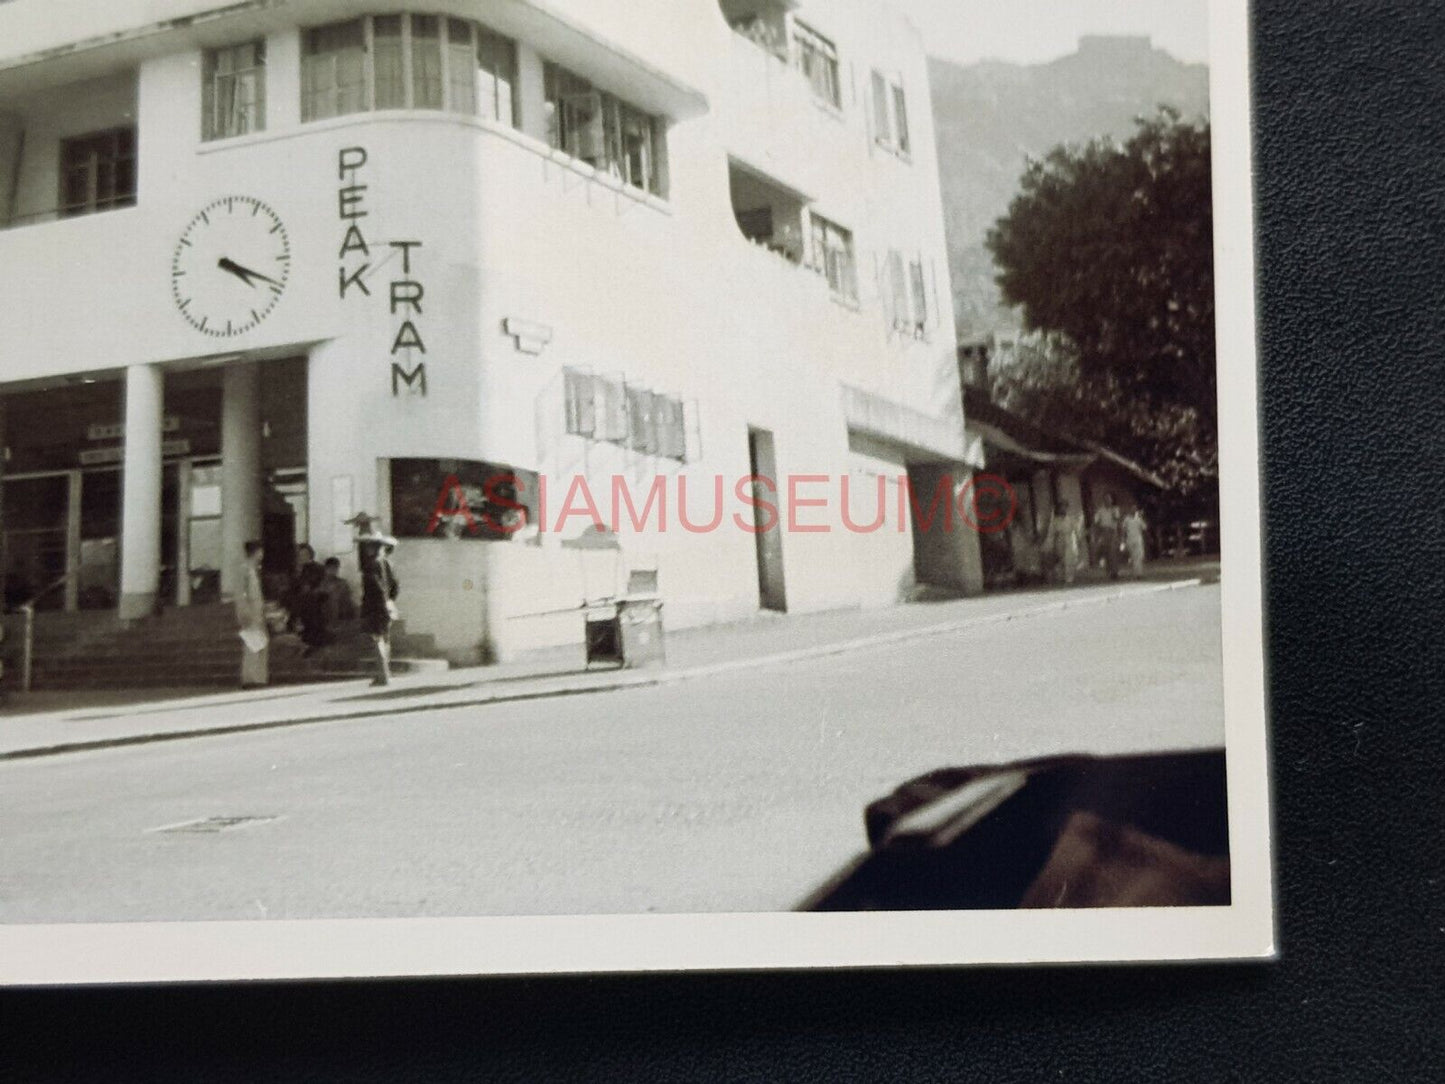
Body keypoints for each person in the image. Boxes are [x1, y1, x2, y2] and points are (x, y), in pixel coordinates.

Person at [358, 532, 400, 686]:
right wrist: (390, 601)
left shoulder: (370, 566)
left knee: (377, 640)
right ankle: (385, 672)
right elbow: (395, 586)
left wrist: (381, 603)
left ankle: (382, 674)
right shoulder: (388, 564)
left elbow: (375, 588)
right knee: (385, 639)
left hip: (375, 606)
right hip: (387, 605)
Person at [236, 539, 269, 688]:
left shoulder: (253, 570)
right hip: (250, 613)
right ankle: (251, 678)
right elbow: (241, 594)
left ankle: (258, 677)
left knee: (260, 643)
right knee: (252, 645)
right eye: (260, 551)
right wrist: (244, 613)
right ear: (256, 552)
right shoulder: (244, 569)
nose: (262, 554)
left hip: (257, 612)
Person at [1048, 500, 1082, 585]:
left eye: (1064, 507)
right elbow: (1051, 532)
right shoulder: (1055, 520)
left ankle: (1069, 578)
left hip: (1069, 538)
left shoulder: (1071, 518)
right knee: (1061, 558)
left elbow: (1077, 530)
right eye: (1061, 507)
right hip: (1059, 539)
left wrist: (1078, 539)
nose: (1063, 509)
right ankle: (1062, 577)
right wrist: (1051, 543)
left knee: (1069, 558)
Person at [1093, 493, 1123, 580]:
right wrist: (1096, 534)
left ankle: (1115, 572)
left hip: (1113, 532)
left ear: (1111, 500)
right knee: (1106, 552)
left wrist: (1120, 534)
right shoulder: (1100, 511)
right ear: (1104, 500)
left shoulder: (1115, 509)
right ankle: (1109, 571)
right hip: (1104, 532)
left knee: (1113, 552)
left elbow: (1118, 521)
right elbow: (1096, 522)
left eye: (1109, 499)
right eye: (1106, 499)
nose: (1108, 501)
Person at [321, 557, 356, 624]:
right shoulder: (321, 584)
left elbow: (348, 601)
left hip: (341, 618)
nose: (332, 571)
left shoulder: (343, 583)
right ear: (325, 569)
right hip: (325, 618)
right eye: (330, 568)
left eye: (335, 568)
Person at [1123, 507, 1148, 578]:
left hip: (1138, 540)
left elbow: (1144, 527)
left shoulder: (1138, 519)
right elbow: (1124, 530)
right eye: (1132, 509)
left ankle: (1139, 573)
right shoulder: (1127, 519)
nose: (1133, 511)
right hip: (1130, 539)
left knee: (1139, 556)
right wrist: (1123, 540)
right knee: (1133, 556)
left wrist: (1141, 518)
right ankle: (1136, 573)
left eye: (1135, 509)